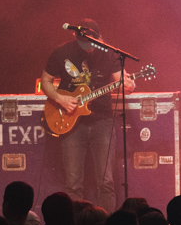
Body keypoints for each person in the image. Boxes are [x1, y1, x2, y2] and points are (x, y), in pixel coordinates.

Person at [41, 18, 134, 211]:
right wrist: (60, 99)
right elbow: (46, 81)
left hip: (103, 121)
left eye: (92, 44)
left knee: (105, 182)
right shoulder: (62, 52)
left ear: (99, 37)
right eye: (85, 44)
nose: (89, 49)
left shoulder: (110, 53)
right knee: (73, 183)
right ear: (74, 35)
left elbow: (122, 81)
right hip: (72, 120)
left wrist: (129, 85)